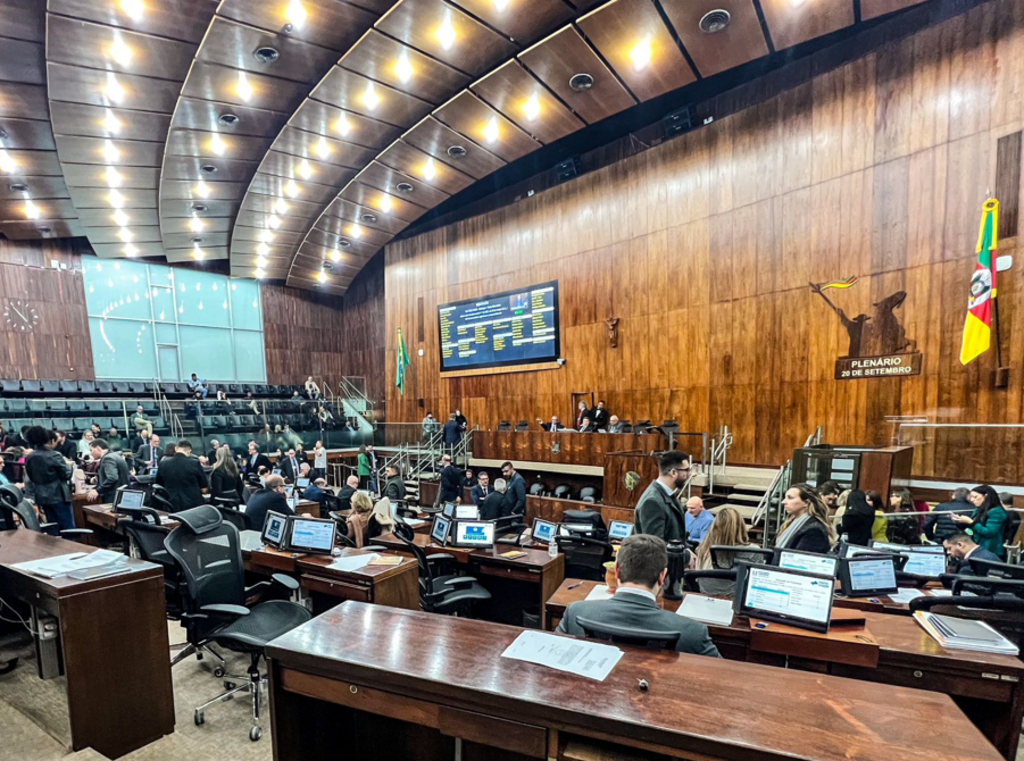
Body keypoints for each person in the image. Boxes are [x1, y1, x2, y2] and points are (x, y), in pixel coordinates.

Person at [557, 534, 720, 657]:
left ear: (617, 570)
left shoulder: (575, 614)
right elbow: (726, 681)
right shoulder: (693, 632)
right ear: (662, 576)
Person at [691, 506, 760, 596]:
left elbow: (698, 580)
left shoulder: (703, 549)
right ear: (741, 527)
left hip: (707, 599)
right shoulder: (754, 551)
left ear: (714, 527)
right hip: (739, 603)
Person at [24, 426, 75, 530]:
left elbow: (31, 477)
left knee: (52, 526)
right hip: (59, 495)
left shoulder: (30, 457)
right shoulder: (54, 455)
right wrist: (69, 464)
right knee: (68, 527)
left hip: (42, 496)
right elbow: (66, 475)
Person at [635, 451, 690, 543]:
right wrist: (685, 554)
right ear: (673, 472)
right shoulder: (652, 502)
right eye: (686, 470)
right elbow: (655, 546)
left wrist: (686, 549)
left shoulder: (667, 495)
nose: (689, 474)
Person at [775, 483, 835, 553]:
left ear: (806, 502)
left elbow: (799, 560)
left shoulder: (814, 530)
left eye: (790, 498)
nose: (783, 502)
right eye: (785, 498)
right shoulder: (793, 522)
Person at [952, 485, 1008, 558]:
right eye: (971, 497)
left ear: (986, 496)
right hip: (975, 545)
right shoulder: (978, 509)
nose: (972, 500)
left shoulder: (997, 512)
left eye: (975, 497)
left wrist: (971, 522)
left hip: (990, 549)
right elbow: (971, 529)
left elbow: (989, 532)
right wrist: (960, 523)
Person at [156, 440, 209, 513]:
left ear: (176, 448)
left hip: (171, 506)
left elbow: (159, 486)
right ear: (189, 450)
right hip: (193, 507)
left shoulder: (163, 464)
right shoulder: (194, 463)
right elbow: (204, 489)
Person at [88, 438, 130, 504]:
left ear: (98, 448)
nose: (91, 453)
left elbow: (113, 478)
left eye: (91, 450)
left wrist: (97, 490)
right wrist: (100, 479)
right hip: (122, 496)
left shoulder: (107, 458)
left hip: (114, 498)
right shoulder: (115, 455)